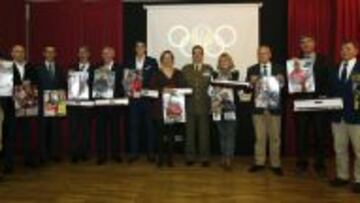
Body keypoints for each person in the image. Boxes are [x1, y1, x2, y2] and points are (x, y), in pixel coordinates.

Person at [292, 36, 331, 177]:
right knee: (302, 135)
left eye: (308, 41)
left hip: (319, 102)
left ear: (314, 43)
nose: (305, 44)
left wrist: (324, 95)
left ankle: (320, 164)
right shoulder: (296, 61)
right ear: (300, 46)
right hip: (302, 102)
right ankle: (302, 164)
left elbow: (328, 78)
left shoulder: (324, 59)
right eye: (302, 42)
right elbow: (294, 83)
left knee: (320, 135)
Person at [246, 45, 285, 176]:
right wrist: (251, 83)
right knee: (259, 137)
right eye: (260, 54)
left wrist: (282, 81)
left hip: (274, 108)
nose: (262, 56)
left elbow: (285, 87)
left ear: (270, 55)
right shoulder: (252, 69)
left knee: (275, 138)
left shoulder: (279, 69)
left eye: (265, 53)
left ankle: (275, 164)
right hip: (258, 109)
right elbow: (247, 90)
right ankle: (259, 162)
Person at [329, 41, 360, 194]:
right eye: (342, 49)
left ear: (356, 51)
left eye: (348, 48)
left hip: (357, 117)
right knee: (339, 148)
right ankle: (342, 176)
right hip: (337, 116)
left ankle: (359, 179)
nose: (344, 51)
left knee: (359, 150)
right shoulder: (335, 68)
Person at [150, 50, 186, 167]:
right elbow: (152, 88)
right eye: (165, 58)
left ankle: (170, 158)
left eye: (169, 58)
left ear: (172, 60)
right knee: (159, 135)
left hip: (173, 107)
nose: (167, 60)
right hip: (159, 108)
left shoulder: (179, 73)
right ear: (161, 60)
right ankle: (160, 158)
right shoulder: (156, 73)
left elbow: (183, 87)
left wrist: (174, 90)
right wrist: (162, 90)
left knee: (171, 134)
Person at [125, 41, 158, 163]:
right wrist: (129, 87)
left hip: (147, 99)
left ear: (146, 49)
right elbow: (126, 80)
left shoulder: (152, 62)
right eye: (137, 46)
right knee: (134, 127)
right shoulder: (128, 62)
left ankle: (151, 154)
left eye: (142, 47)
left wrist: (146, 88)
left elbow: (154, 78)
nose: (140, 48)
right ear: (135, 48)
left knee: (150, 128)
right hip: (134, 100)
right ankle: (134, 154)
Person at [182, 45, 213, 167]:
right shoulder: (185, 69)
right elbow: (181, 85)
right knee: (189, 133)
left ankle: (205, 158)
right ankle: (190, 157)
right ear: (192, 55)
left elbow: (213, 87)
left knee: (204, 133)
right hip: (189, 105)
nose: (197, 55)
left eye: (199, 53)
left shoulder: (209, 69)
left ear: (203, 55)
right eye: (195, 53)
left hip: (204, 105)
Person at [210, 53, 239, 171]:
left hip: (230, 107)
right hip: (217, 107)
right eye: (221, 61)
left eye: (226, 60)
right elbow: (209, 91)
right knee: (222, 134)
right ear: (219, 63)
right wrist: (215, 92)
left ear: (230, 62)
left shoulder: (235, 74)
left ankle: (229, 159)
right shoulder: (214, 75)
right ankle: (223, 156)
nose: (224, 62)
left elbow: (239, 90)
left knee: (230, 134)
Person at [95, 46, 124, 165]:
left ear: (113, 55)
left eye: (108, 53)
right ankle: (102, 156)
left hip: (115, 104)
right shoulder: (97, 68)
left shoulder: (120, 68)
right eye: (104, 54)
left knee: (115, 131)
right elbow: (94, 86)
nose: (106, 56)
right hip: (101, 105)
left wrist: (115, 94)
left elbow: (123, 86)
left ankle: (115, 154)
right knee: (101, 131)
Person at [37, 46, 66, 164]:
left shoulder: (60, 69)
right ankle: (43, 155)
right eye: (48, 52)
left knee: (55, 129)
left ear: (55, 54)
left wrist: (62, 103)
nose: (50, 54)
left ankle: (54, 154)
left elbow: (63, 86)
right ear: (44, 54)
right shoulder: (37, 69)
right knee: (43, 130)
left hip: (57, 100)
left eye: (53, 52)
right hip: (42, 102)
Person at [68, 46, 94, 163]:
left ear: (89, 54)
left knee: (85, 129)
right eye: (80, 52)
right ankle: (74, 153)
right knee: (73, 129)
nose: (83, 54)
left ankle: (84, 153)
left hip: (87, 103)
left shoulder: (95, 69)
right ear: (78, 55)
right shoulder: (71, 68)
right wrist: (69, 77)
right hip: (74, 103)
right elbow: (67, 85)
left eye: (85, 52)